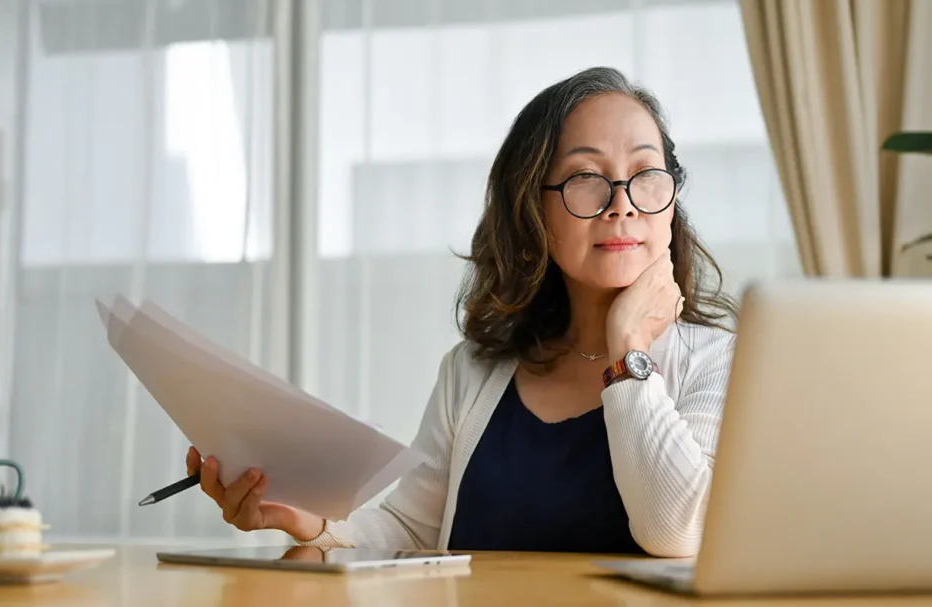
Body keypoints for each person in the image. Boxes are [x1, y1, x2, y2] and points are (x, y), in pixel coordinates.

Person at [186, 66, 739, 558]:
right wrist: (314, 526)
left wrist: (629, 353)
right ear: (533, 210)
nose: (622, 201)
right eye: (586, 179)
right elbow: (410, 528)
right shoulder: (472, 371)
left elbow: (678, 533)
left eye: (646, 174)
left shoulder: (717, 361)